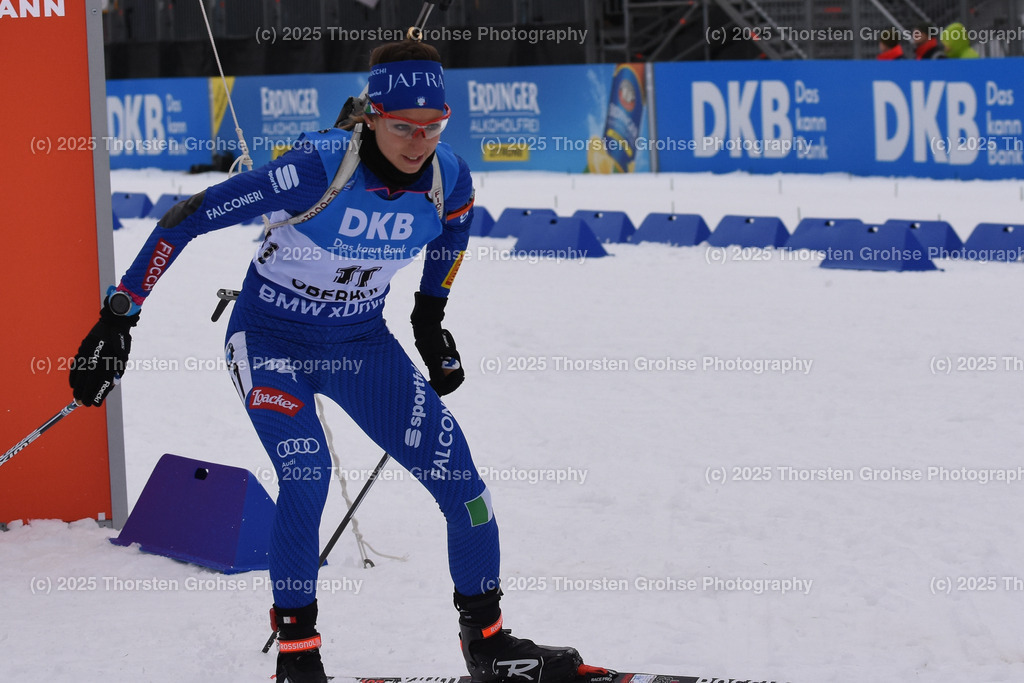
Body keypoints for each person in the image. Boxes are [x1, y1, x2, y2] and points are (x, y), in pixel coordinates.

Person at [69, 38, 589, 683]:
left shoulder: (449, 175)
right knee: (307, 473)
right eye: (402, 126)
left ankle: (486, 642)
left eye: (433, 127)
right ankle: (298, 654)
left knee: (467, 490)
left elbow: (452, 236)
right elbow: (186, 217)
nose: (417, 141)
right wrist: (119, 318)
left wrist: (431, 322)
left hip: (362, 346)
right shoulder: (318, 168)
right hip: (271, 343)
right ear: (371, 115)